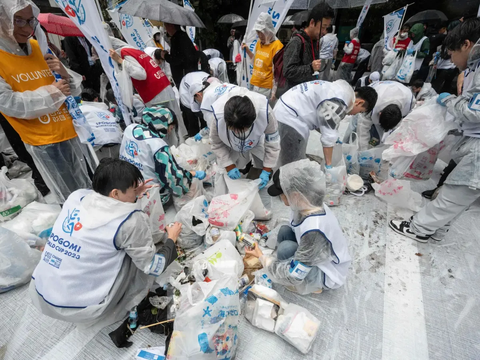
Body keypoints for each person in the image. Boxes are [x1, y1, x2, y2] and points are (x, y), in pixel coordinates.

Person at [30, 158, 182, 328]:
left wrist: (134, 193)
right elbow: (153, 267)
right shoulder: (129, 222)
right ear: (115, 193)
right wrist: (171, 239)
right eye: (132, 188)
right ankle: (122, 302)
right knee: (135, 254)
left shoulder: (77, 197)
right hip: (82, 306)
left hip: (42, 290)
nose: (136, 191)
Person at [391, 19, 480, 242]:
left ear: (466, 45)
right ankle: (437, 228)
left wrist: (447, 100)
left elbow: (474, 111)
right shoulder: (473, 68)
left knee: (454, 193)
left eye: (452, 53)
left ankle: (419, 228)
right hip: (473, 142)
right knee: (462, 194)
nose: (451, 60)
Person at [0, 0, 94, 204]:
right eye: (18, 21)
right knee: (72, 203)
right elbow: (7, 102)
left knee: (92, 192)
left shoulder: (37, 46)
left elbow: (70, 90)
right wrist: (52, 93)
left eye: (30, 21)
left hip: (70, 130)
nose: (27, 28)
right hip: (42, 142)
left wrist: (64, 73)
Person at [245, 159, 351, 294]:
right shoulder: (307, 203)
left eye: (282, 195)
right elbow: (296, 228)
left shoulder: (314, 229)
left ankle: (315, 285)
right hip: (315, 255)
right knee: (284, 231)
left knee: (285, 249)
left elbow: (294, 274)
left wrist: (263, 258)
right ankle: (282, 266)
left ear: (295, 195)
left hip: (328, 272)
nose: (281, 199)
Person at [274, 80, 377, 167]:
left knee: (290, 159)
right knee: (291, 164)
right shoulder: (338, 103)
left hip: (286, 109)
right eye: (360, 111)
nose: (354, 114)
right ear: (359, 102)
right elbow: (328, 137)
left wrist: (334, 137)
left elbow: (323, 121)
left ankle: (283, 184)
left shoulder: (340, 91)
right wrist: (329, 165)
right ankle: (283, 188)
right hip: (289, 117)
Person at [120, 105, 205, 205]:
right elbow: (172, 180)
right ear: (162, 125)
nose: (169, 132)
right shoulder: (158, 145)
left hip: (126, 188)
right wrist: (191, 174)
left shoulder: (130, 128)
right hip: (149, 192)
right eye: (170, 127)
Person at [210, 87, 280, 190]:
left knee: (266, 166)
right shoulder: (218, 116)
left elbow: (273, 143)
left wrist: (266, 170)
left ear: (253, 121)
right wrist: (229, 165)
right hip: (229, 144)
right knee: (224, 174)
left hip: (256, 140)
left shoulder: (265, 113)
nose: (238, 132)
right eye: (233, 129)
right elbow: (216, 143)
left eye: (242, 130)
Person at [282, 3, 335, 90]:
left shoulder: (315, 41)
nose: (324, 32)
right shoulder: (296, 42)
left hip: (309, 93)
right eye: (323, 27)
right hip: (296, 95)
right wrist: (310, 68)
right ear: (312, 22)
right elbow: (287, 72)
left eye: (327, 28)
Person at [109, 39, 175, 108]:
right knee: (171, 115)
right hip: (163, 88)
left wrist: (121, 61)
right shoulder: (135, 50)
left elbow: (141, 74)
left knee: (164, 117)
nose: (160, 63)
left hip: (155, 93)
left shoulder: (125, 53)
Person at [350, 81, 414, 149]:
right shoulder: (369, 106)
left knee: (376, 138)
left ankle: (373, 146)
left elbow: (401, 127)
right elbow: (362, 129)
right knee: (354, 131)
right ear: (379, 114)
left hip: (399, 90)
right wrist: (363, 150)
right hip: (371, 95)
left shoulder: (409, 102)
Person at [243, 13, 284, 102]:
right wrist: (248, 51)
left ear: (268, 30)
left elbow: (277, 72)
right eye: (258, 32)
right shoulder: (259, 42)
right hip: (253, 84)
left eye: (262, 33)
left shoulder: (277, 46)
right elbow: (255, 61)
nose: (260, 36)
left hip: (266, 89)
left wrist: (274, 92)